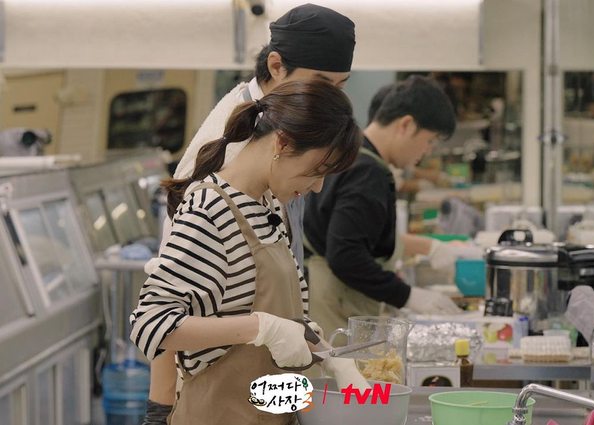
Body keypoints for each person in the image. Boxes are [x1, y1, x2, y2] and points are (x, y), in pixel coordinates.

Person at [140, 4, 356, 423]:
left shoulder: (270, 187)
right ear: (275, 66)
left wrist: (317, 355)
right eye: (321, 84)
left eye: (340, 86)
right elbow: (162, 306)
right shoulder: (225, 175)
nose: (331, 99)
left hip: (262, 402)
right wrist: (161, 407)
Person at [304, 76, 473, 336]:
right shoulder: (367, 172)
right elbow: (346, 255)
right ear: (406, 125)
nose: (427, 151)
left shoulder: (352, 154)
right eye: (430, 140)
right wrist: (407, 295)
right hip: (332, 308)